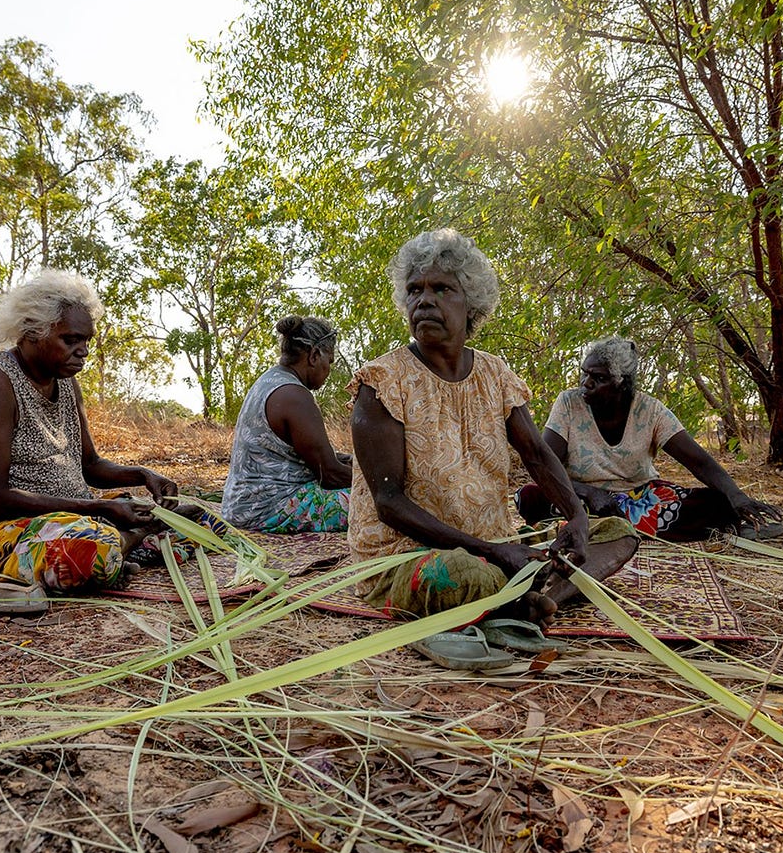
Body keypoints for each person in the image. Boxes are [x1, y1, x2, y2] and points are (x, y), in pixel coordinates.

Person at [349, 229, 640, 656]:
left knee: (615, 532)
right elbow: (388, 503)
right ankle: (518, 598)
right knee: (465, 576)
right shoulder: (382, 382)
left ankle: (532, 600)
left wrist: (576, 517)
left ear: (471, 304)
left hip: (495, 543)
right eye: (414, 290)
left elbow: (537, 454)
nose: (423, 301)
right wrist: (493, 553)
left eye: (441, 289)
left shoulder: (494, 374)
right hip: (413, 555)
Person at [0, 270, 181, 609]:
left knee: (197, 518)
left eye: (86, 342)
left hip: (74, 519)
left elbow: (90, 465)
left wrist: (143, 475)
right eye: (71, 340)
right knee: (89, 551)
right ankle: (126, 543)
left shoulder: (65, 383)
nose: (83, 352)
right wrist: (102, 508)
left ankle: (118, 547)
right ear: (32, 331)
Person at [516, 336, 783, 541]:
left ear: (621, 383)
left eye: (598, 378)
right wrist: (589, 491)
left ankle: (606, 528)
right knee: (529, 496)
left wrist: (737, 496)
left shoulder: (650, 411)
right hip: (581, 497)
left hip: (640, 497)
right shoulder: (568, 403)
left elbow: (699, 462)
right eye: (584, 373)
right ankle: (622, 527)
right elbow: (544, 465)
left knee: (717, 501)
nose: (586, 383)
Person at [221, 316, 352, 532]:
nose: (328, 370)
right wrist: (378, 482)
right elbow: (329, 474)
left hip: (241, 507)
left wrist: (350, 461)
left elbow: (299, 454)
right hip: (269, 510)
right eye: (329, 362)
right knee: (373, 504)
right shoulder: (295, 396)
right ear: (314, 355)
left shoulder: (269, 381)